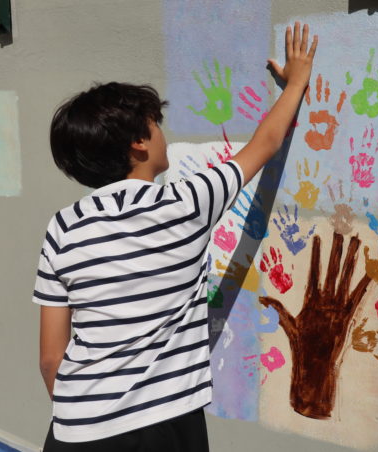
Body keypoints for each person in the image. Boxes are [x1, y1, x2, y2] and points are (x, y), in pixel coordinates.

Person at [33, 22, 318, 451]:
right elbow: (266, 143)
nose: (164, 131)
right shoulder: (187, 202)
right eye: (155, 123)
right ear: (138, 144)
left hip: (75, 427)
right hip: (162, 425)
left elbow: (51, 358)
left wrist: (89, 419)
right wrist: (296, 83)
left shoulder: (63, 226)